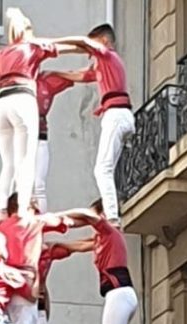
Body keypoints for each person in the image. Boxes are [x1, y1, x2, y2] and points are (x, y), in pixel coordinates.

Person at [53, 202, 137, 324]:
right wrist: (52, 244)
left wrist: (58, 217)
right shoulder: (101, 239)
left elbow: (89, 217)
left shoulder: (110, 231)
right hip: (121, 295)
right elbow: (79, 246)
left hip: (118, 293)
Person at [56, 24, 135, 224]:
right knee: (110, 168)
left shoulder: (107, 54)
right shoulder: (105, 64)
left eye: (93, 46)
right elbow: (81, 75)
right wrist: (55, 75)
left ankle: (112, 217)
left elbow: (83, 43)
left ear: (104, 41)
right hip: (121, 115)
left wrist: (53, 44)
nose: (90, 54)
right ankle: (114, 207)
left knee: (102, 169)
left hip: (116, 115)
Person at [0, 9, 62, 217]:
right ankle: (23, 209)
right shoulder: (31, 47)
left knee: (8, 163)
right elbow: (63, 46)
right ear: (27, 31)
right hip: (22, 98)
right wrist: (84, 43)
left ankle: (4, 209)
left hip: (1, 101)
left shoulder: (3, 52)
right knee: (27, 160)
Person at [32, 71, 76, 212]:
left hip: (40, 137)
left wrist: (54, 72)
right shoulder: (17, 81)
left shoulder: (46, 83)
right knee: (23, 184)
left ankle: (40, 218)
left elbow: (73, 77)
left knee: (39, 185)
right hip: (23, 138)